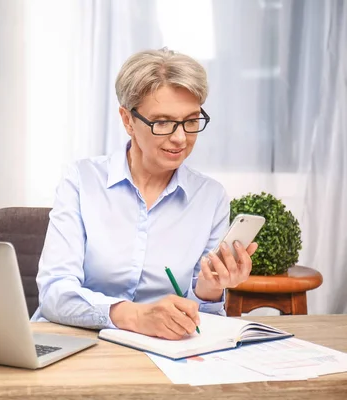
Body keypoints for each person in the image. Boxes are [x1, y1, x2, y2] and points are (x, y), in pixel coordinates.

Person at [30, 48, 258, 340]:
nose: (180, 138)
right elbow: (54, 293)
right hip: (76, 343)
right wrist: (136, 316)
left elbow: (204, 318)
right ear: (128, 120)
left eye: (191, 121)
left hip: (164, 352)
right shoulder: (81, 180)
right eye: (162, 122)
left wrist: (211, 287)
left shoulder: (210, 197)